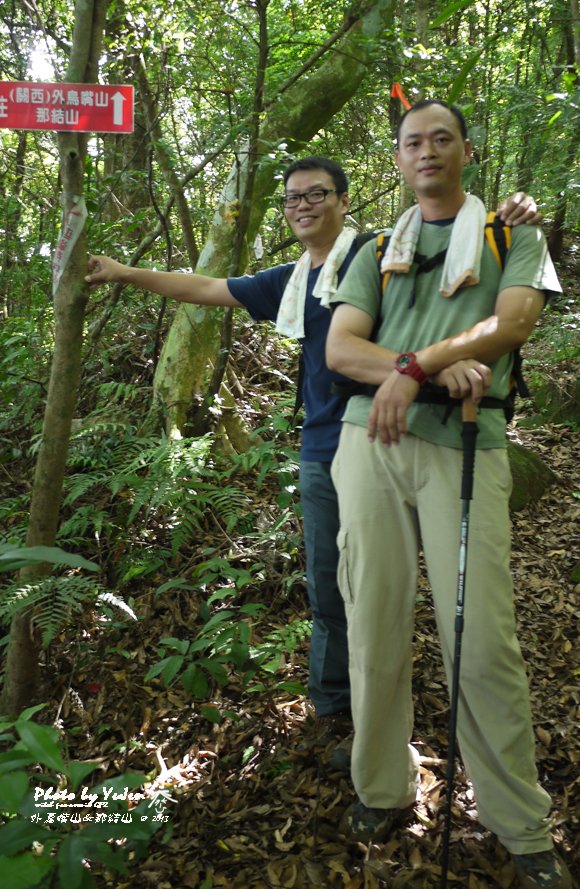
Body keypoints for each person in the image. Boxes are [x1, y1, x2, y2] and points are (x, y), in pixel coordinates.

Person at [85, 155, 540, 747]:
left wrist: (510, 216)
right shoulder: (291, 280)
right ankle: (336, 709)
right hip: (327, 446)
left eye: (316, 194)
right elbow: (204, 287)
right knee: (334, 583)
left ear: (343, 200)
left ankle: (428, 708)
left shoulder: (382, 253)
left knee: (437, 592)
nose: (303, 206)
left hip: (420, 434)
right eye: (292, 198)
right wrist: (124, 272)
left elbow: (451, 265)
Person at [325, 102, 571, 889]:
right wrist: (415, 366)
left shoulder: (511, 233)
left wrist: (410, 367)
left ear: (468, 150)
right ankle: (381, 787)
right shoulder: (371, 247)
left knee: (482, 635)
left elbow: (518, 319)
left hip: (467, 444)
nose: (426, 151)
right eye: (411, 142)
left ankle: (520, 825)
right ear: (396, 160)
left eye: (440, 138)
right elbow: (340, 348)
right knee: (373, 619)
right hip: (370, 447)